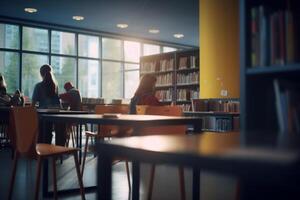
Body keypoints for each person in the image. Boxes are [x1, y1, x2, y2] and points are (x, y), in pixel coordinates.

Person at [32, 64, 66, 146]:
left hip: (44, 114)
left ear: (41, 74)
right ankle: (57, 151)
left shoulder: (38, 86)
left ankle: (42, 151)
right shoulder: (55, 85)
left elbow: (33, 104)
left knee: (41, 128)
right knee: (48, 129)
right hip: (57, 113)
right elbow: (57, 102)